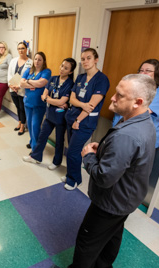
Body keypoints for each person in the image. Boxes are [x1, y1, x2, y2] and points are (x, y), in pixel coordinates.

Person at [50, 74, 157, 268]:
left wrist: (88, 156)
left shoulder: (127, 135)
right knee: (114, 232)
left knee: (87, 239)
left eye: (120, 95)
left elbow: (104, 177)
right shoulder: (146, 121)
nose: (112, 98)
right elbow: (127, 159)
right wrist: (106, 150)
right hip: (128, 199)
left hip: (111, 200)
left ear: (138, 102)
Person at [63, 48, 110, 190]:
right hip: (72, 118)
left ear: (96, 59)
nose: (85, 61)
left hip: (84, 122)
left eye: (89, 58)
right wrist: (82, 104)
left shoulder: (102, 80)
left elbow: (92, 106)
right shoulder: (80, 77)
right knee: (72, 150)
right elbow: (72, 98)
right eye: (83, 59)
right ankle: (72, 175)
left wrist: (78, 120)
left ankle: (74, 180)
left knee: (72, 152)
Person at [23, 58, 76, 168]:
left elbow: (62, 102)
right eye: (62, 66)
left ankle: (56, 162)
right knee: (42, 136)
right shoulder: (53, 78)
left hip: (61, 117)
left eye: (66, 68)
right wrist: (53, 101)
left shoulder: (70, 84)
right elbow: (43, 96)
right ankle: (36, 157)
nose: (62, 69)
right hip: (50, 114)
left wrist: (52, 100)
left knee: (59, 141)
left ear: (70, 72)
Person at [112, 59, 159, 149]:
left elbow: (140, 111)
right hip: (119, 132)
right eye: (141, 70)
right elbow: (116, 105)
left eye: (148, 71)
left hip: (141, 139)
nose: (143, 73)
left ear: (156, 74)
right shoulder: (132, 88)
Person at [20, 52, 51, 150]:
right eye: (36, 59)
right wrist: (34, 84)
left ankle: (35, 149)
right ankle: (32, 141)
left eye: (40, 59)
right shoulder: (29, 70)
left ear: (43, 61)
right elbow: (21, 83)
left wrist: (28, 82)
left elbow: (42, 83)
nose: (37, 61)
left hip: (38, 104)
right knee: (29, 124)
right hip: (28, 102)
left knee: (35, 126)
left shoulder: (46, 71)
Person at [7, 42, 33, 135]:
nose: (21, 50)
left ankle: (22, 126)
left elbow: (30, 77)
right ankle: (19, 122)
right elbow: (9, 73)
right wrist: (11, 85)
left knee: (22, 108)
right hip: (13, 88)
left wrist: (19, 86)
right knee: (18, 107)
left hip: (23, 89)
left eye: (22, 48)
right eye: (19, 48)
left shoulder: (31, 62)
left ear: (26, 49)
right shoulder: (13, 60)